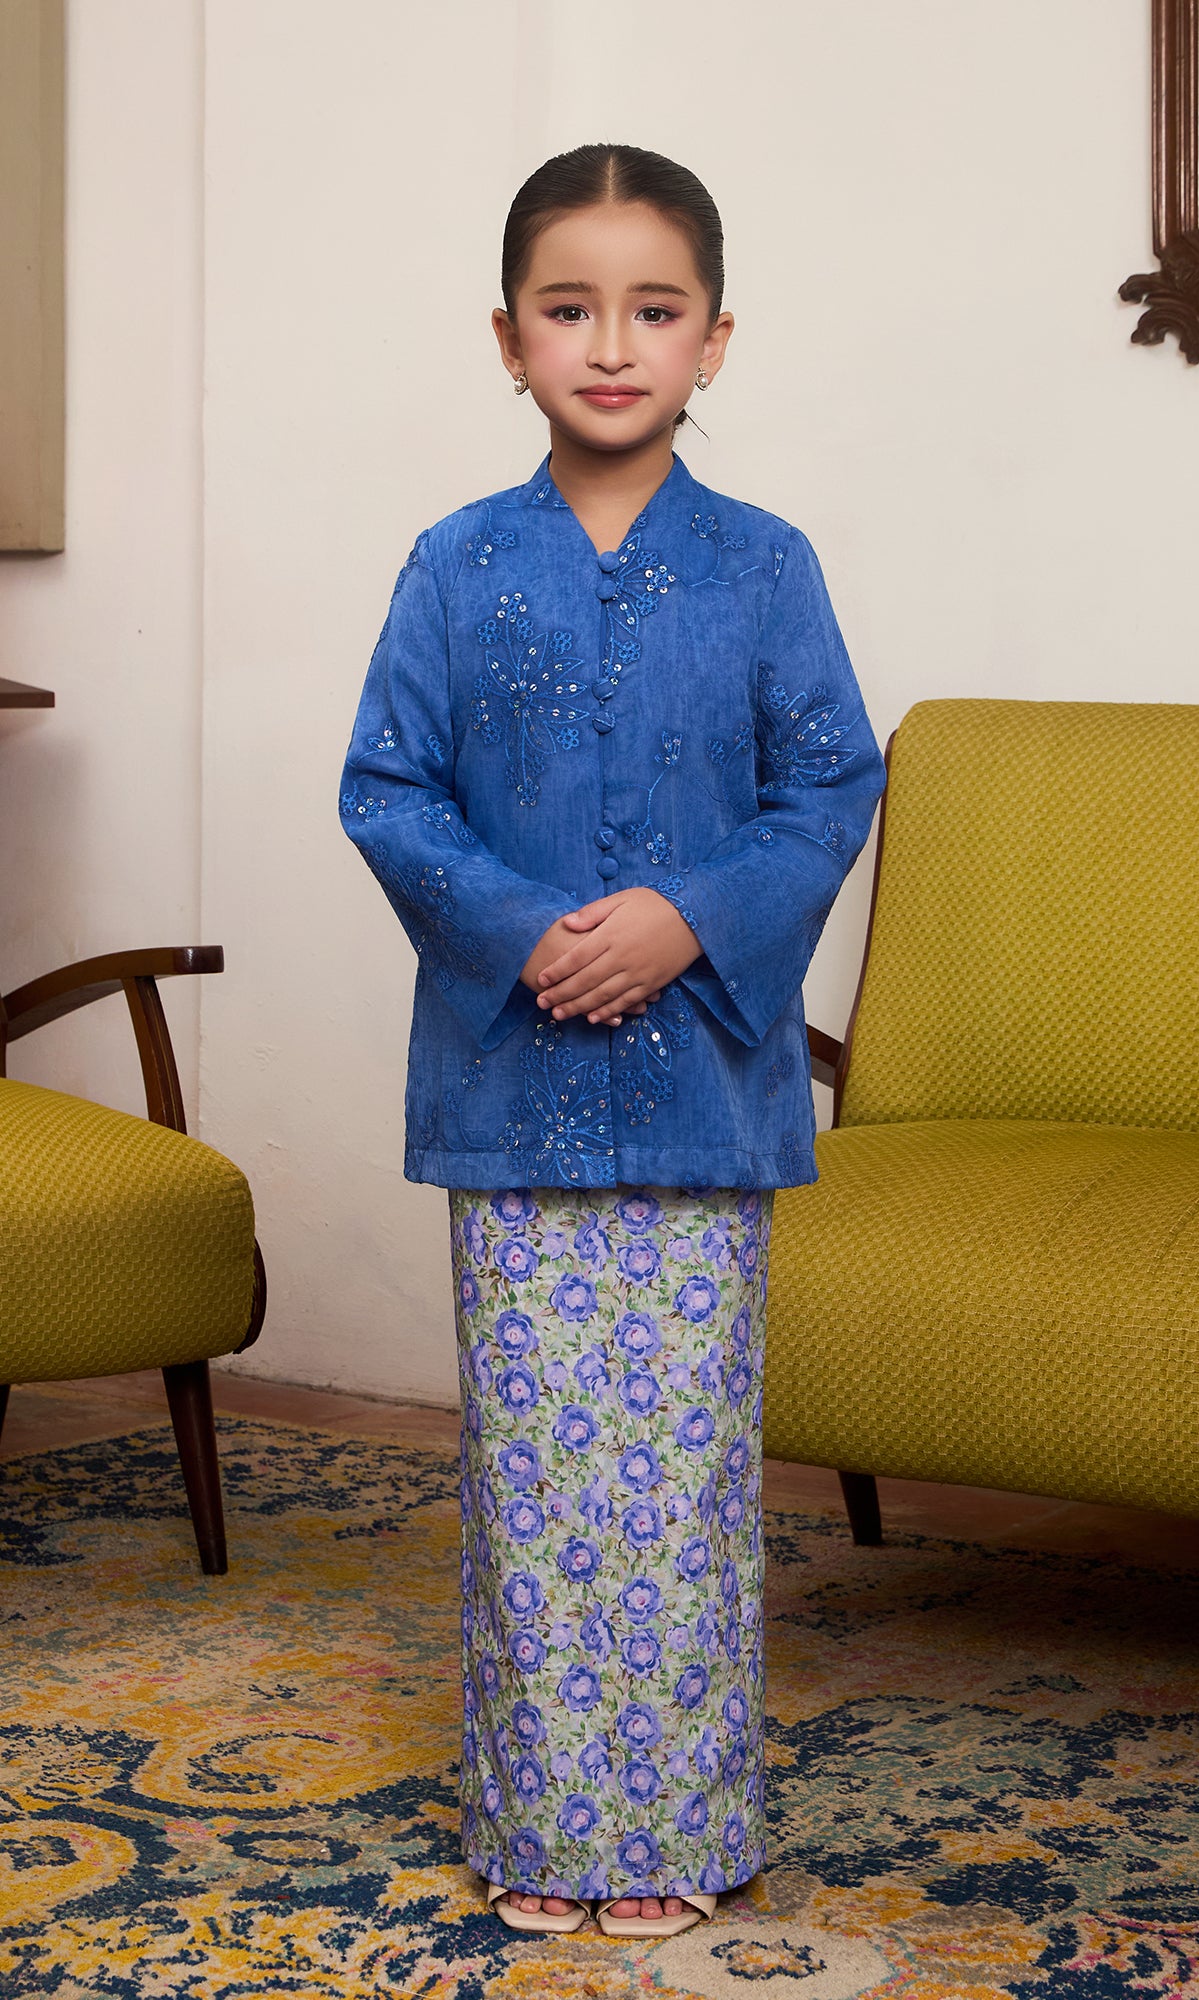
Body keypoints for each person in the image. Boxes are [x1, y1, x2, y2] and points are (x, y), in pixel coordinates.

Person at [339, 141, 887, 1941]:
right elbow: (389, 790)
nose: (611, 343)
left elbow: (830, 786)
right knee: (535, 1471)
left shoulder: (765, 566)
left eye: (654, 311)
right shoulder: (453, 563)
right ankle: (543, 1824)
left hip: (705, 1093)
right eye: (569, 310)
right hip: (514, 1093)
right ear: (509, 339)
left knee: (681, 1484)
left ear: (714, 340)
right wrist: (528, 936)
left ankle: (677, 1827)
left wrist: (688, 920)